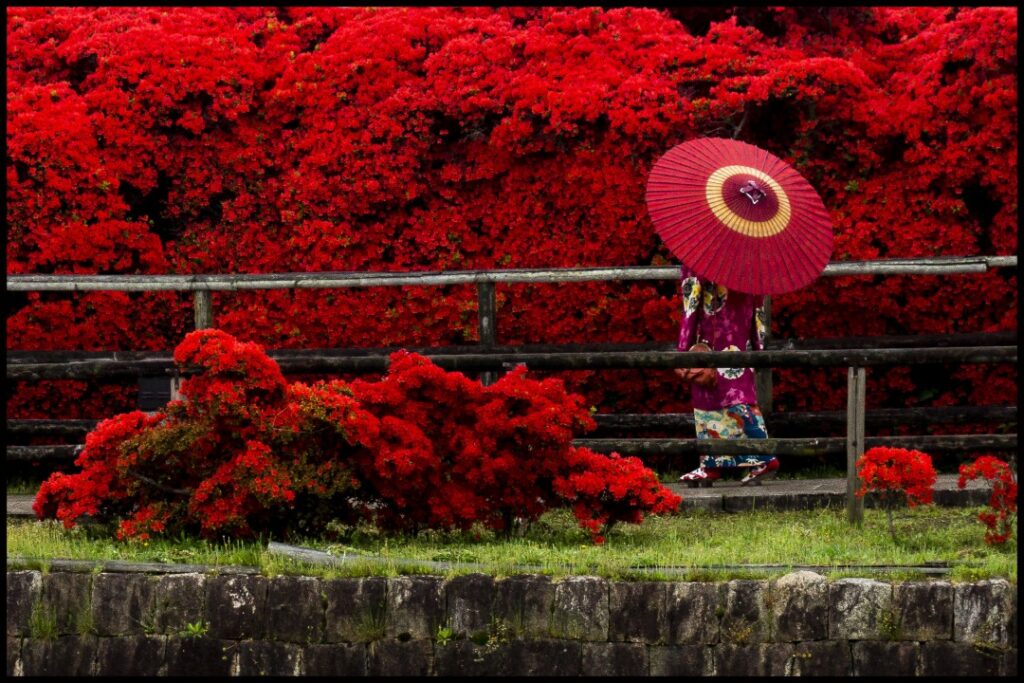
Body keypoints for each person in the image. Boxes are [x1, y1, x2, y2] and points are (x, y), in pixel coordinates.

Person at [675, 262, 778, 487]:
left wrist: (683, 346)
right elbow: (758, 303)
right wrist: (759, 343)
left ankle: (760, 457)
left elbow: (691, 303)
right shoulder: (752, 256)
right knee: (739, 393)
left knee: (710, 392)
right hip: (741, 332)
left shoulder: (703, 257)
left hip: (712, 333)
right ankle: (714, 463)